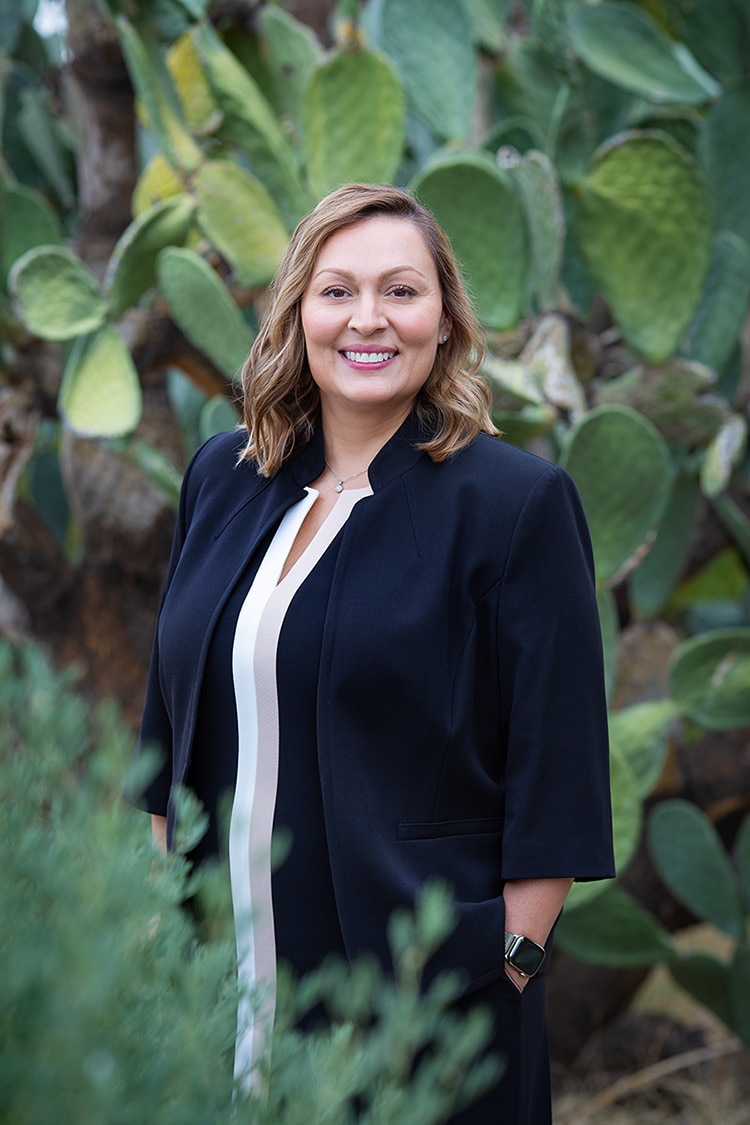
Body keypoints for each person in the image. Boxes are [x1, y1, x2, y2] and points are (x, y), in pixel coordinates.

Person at [130, 183, 615, 1122]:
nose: (368, 320)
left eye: (401, 291)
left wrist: (509, 962)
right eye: (337, 290)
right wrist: (156, 931)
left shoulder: (515, 505)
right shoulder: (224, 479)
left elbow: (556, 776)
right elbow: (170, 730)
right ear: (298, 313)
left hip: (423, 999)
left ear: (445, 319)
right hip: (214, 989)